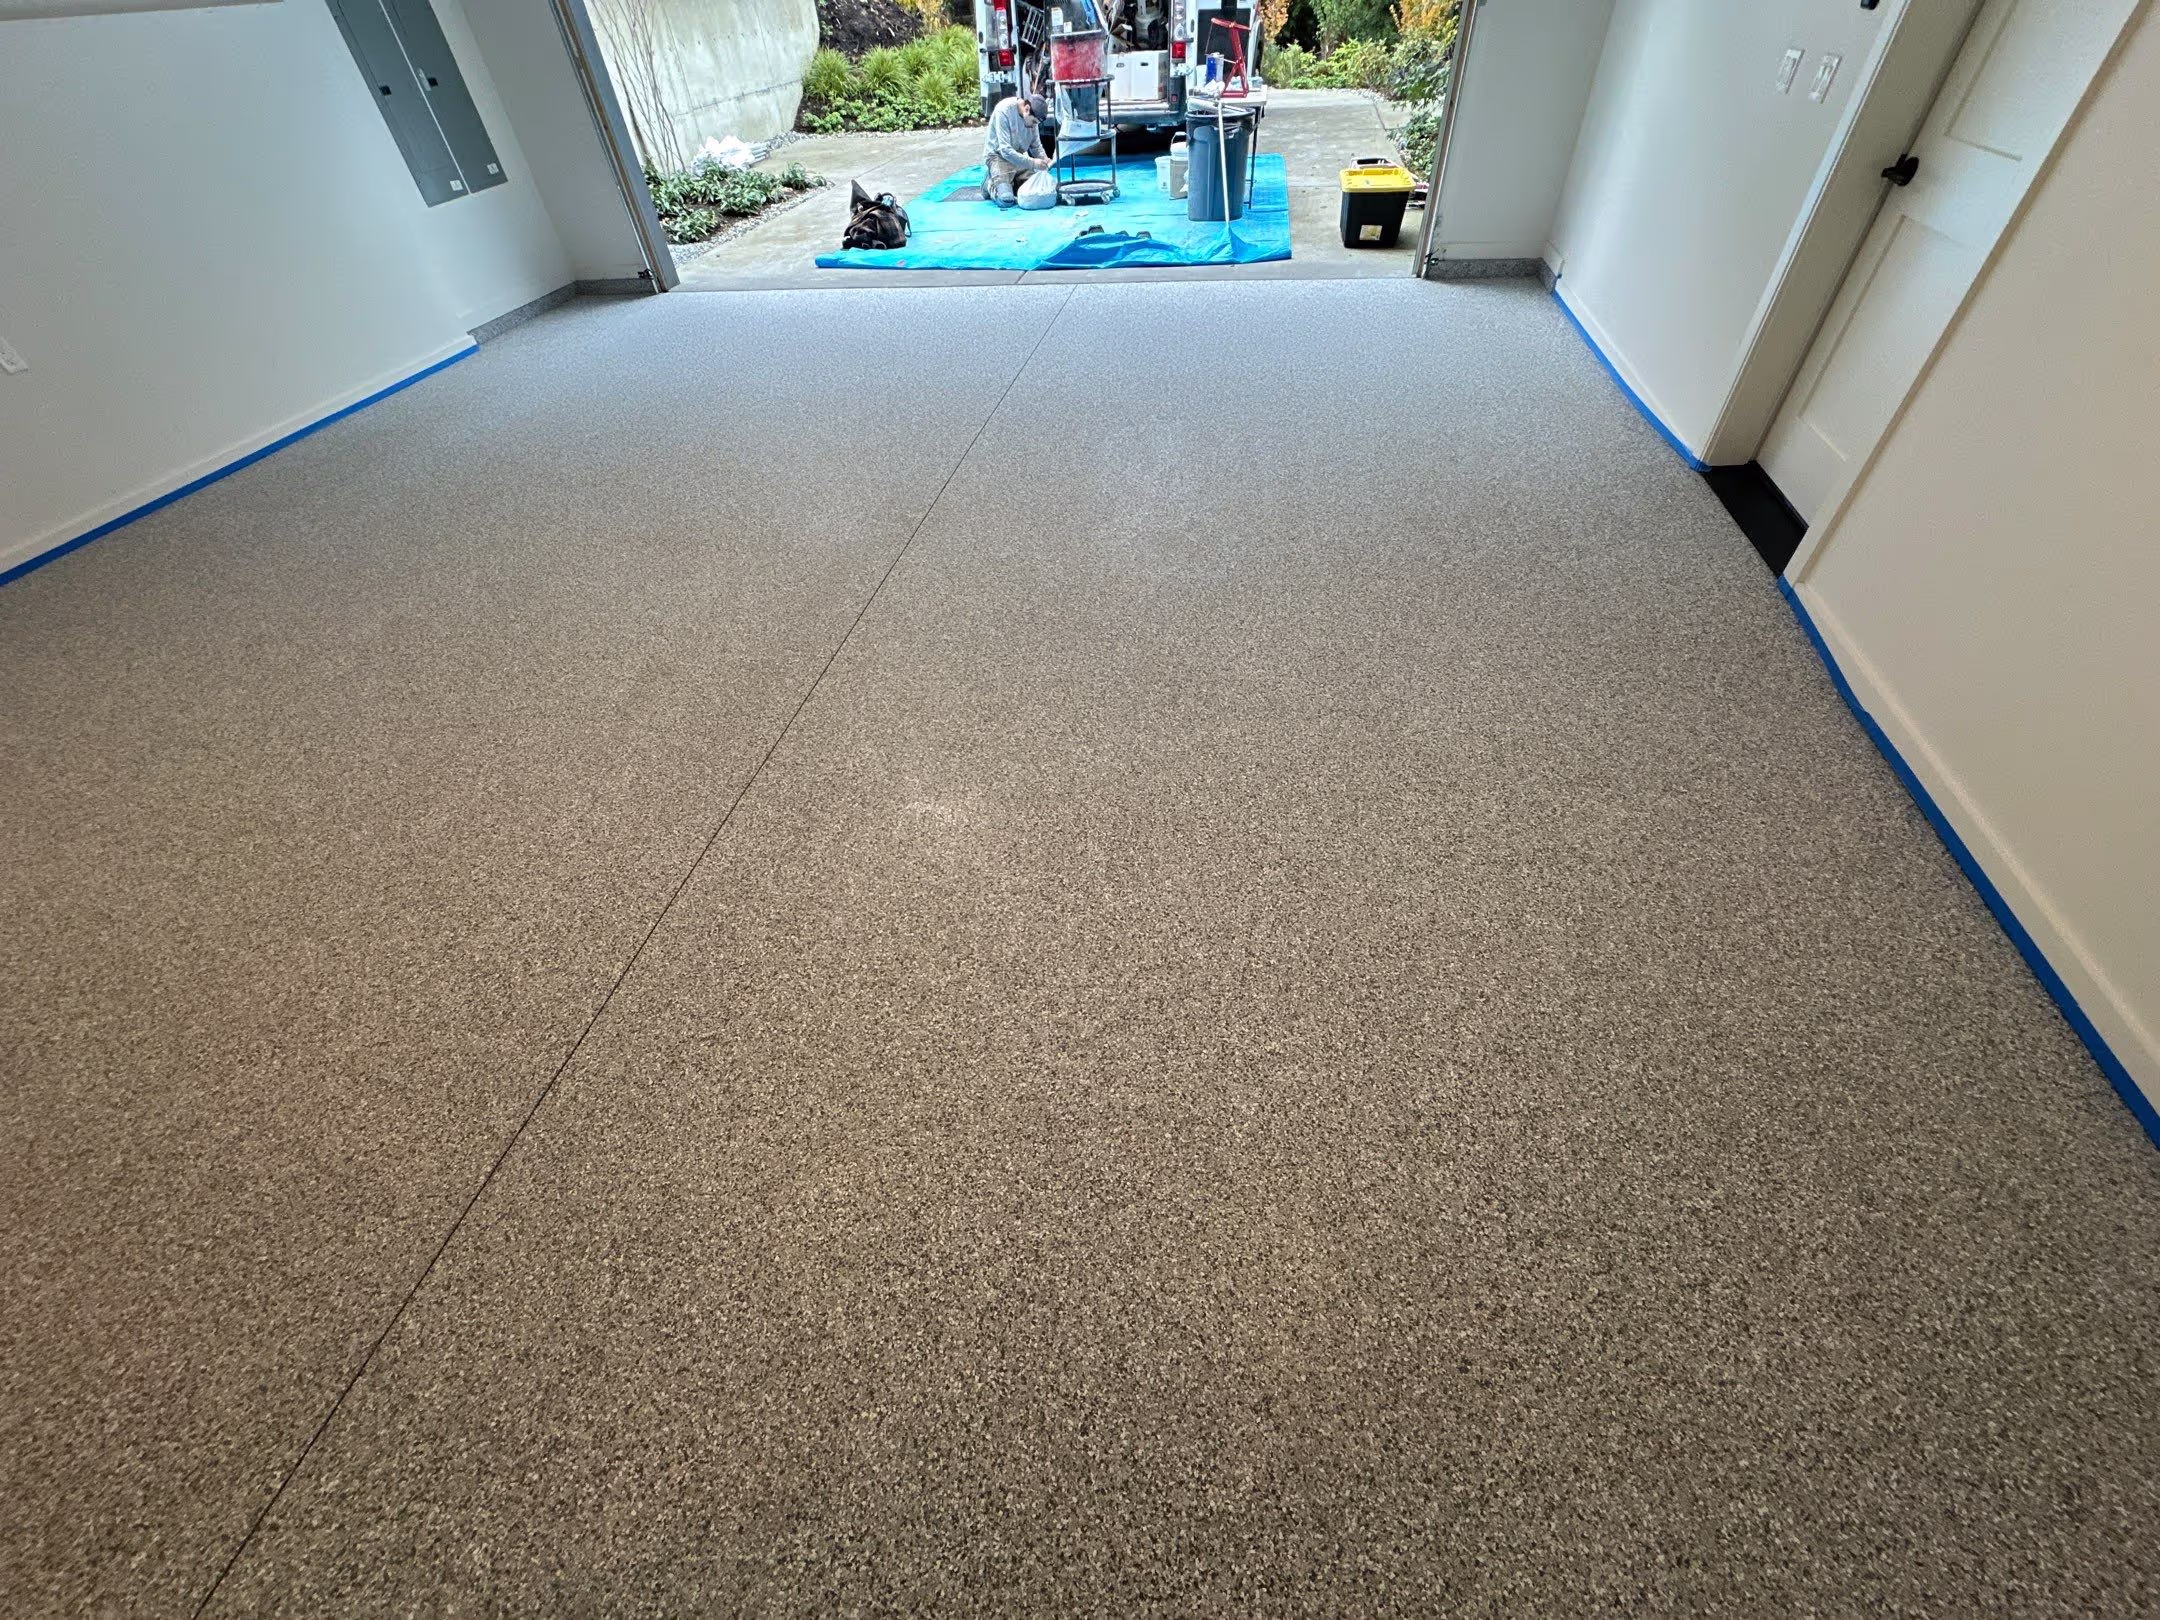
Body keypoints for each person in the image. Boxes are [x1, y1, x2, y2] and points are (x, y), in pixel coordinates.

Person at [981, 91, 1051, 206]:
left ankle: (1010, 181)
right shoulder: (1003, 110)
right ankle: (990, 183)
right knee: (1006, 200)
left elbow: (1035, 145)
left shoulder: (1031, 118)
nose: (1034, 126)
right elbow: (1005, 150)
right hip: (998, 156)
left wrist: (1044, 158)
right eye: (1034, 121)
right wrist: (1033, 163)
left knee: (1037, 191)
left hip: (1018, 158)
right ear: (1026, 109)